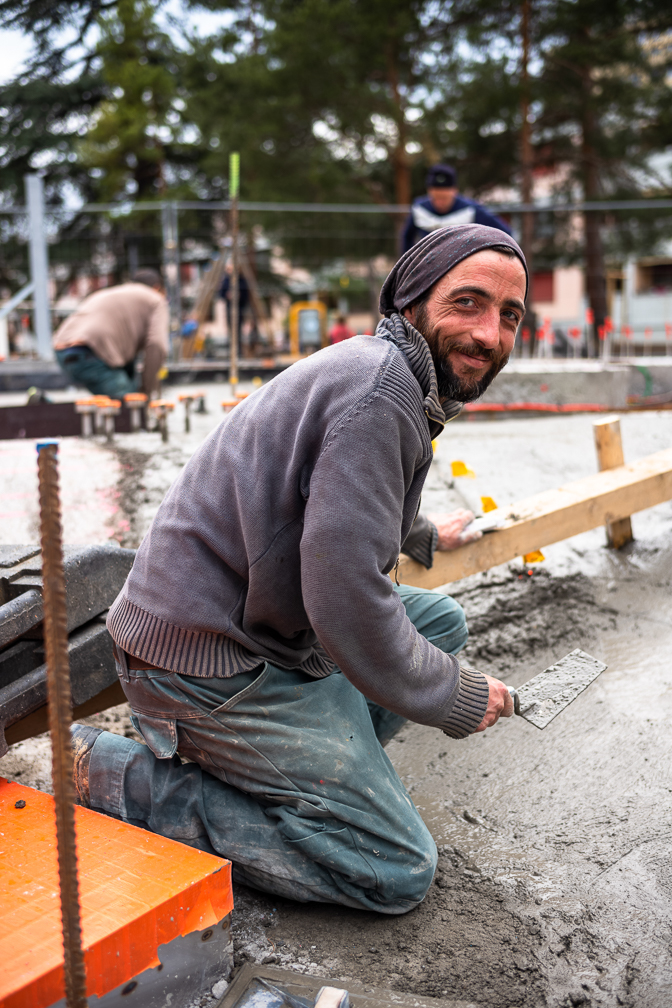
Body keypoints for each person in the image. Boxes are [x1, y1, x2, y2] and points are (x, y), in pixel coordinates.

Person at [72, 224, 527, 915]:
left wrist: (427, 533)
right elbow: (347, 604)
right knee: (394, 867)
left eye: (510, 316)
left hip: (243, 619)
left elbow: (335, 496)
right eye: (468, 303)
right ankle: (127, 778)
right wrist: (457, 697)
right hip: (203, 659)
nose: (490, 334)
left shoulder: (384, 372)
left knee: (440, 622)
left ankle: (316, 778)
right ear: (412, 302)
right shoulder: (381, 394)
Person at [53, 269, 168, 399]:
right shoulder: (155, 299)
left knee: (112, 405)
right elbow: (156, 345)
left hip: (62, 350)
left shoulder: (112, 292)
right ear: (157, 288)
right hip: (92, 352)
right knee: (131, 406)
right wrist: (147, 390)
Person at [401, 164, 512, 256]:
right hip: (428, 265)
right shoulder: (419, 209)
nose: (440, 202)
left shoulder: (470, 210)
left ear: (454, 191)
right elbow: (407, 237)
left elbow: (504, 232)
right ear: (429, 192)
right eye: (436, 198)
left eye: (444, 198)